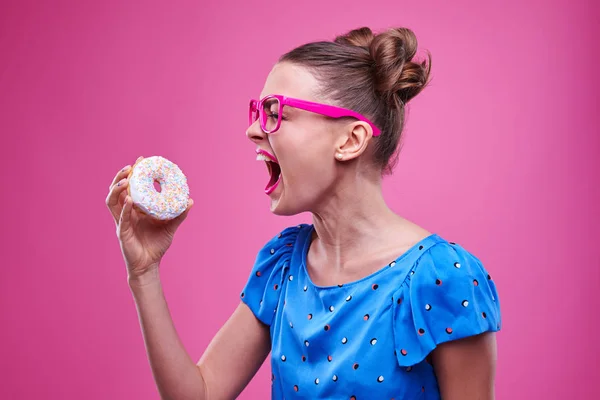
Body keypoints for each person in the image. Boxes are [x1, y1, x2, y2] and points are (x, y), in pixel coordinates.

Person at [106, 26, 501, 400]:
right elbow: (202, 392)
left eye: (275, 112)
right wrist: (144, 273)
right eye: (257, 111)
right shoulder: (282, 266)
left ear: (350, 139)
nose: (254, 131)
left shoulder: (443, 278)